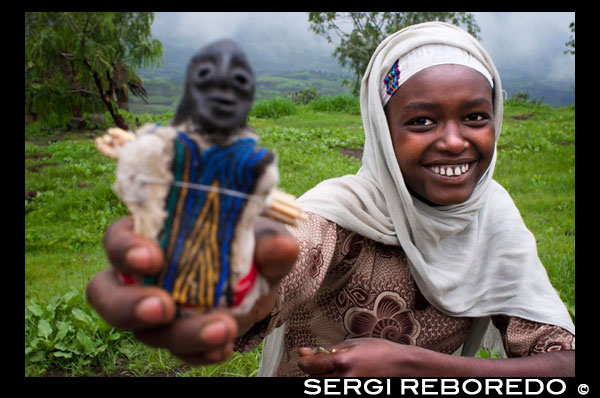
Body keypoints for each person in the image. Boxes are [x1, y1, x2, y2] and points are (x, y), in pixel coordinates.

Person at [86, 21, 574, 376]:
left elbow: (566, 365)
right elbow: (286, 260)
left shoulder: (493, 219)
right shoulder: (340, 216)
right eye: (421, 121)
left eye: (474, 117)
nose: (453, 141)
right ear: (382, 133)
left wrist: (415, 366)